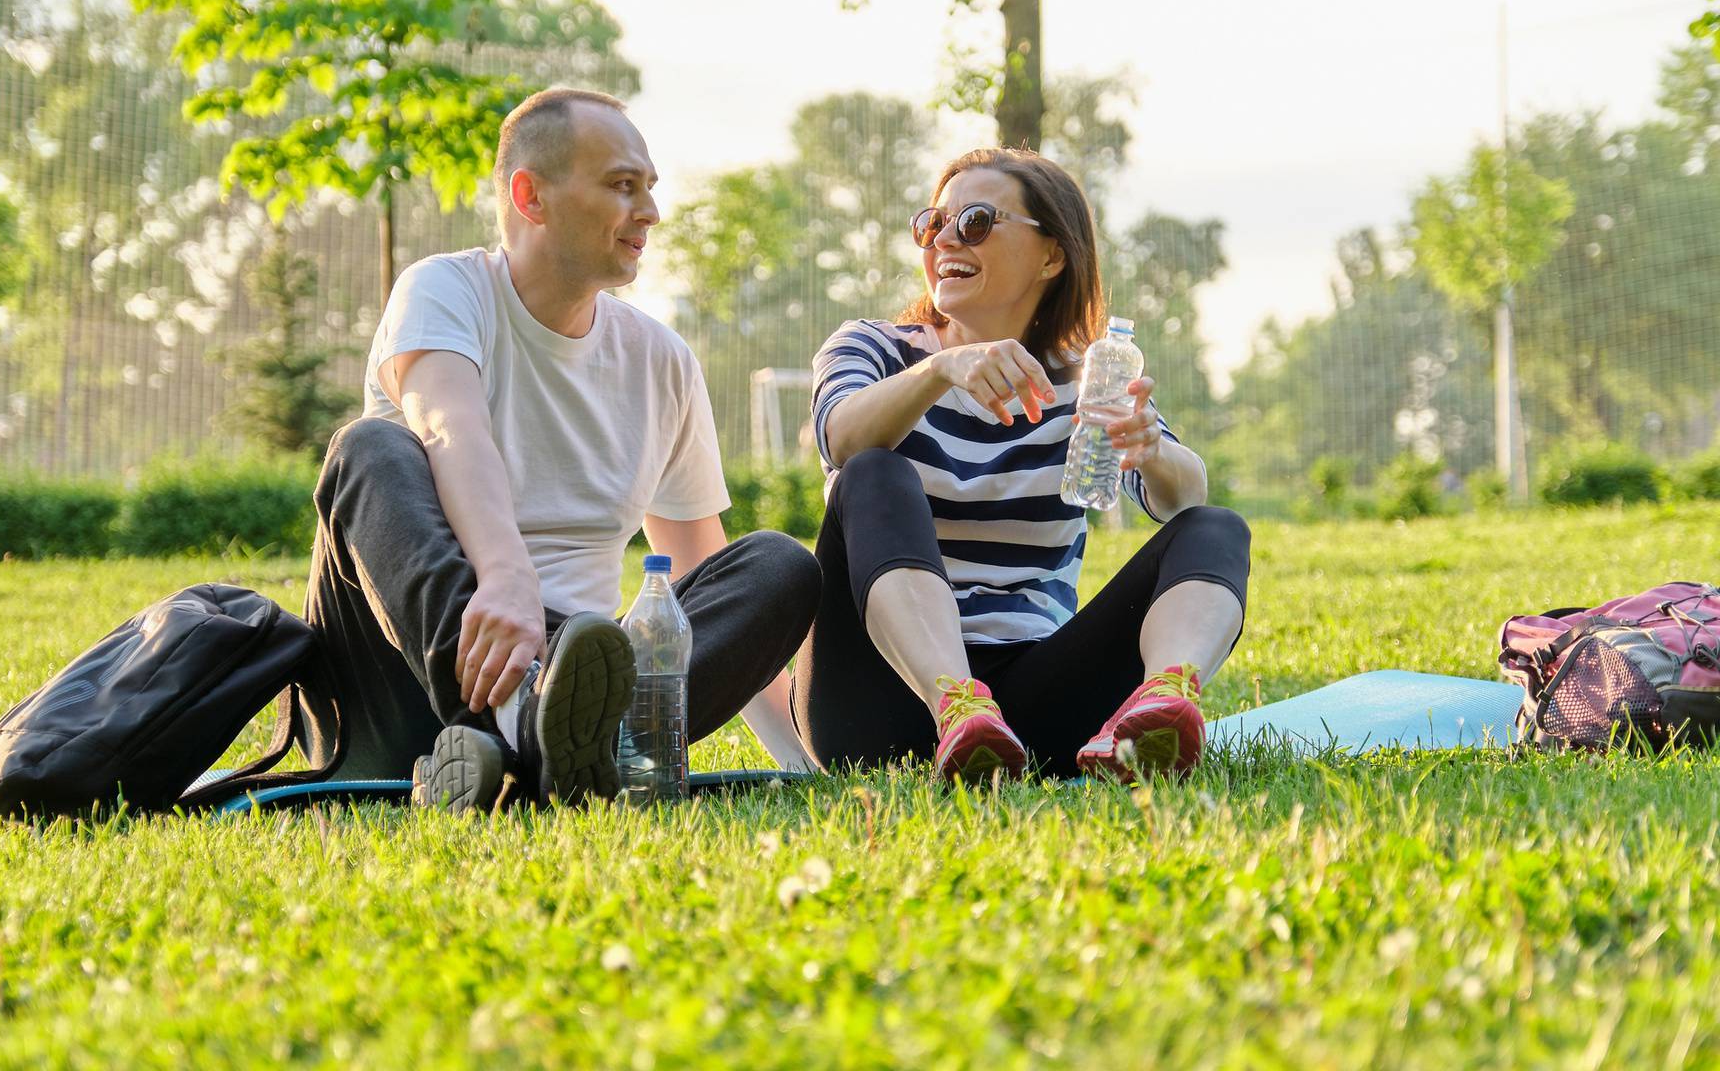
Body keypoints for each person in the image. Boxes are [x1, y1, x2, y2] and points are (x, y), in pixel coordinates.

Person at [301, 88, 821, 811]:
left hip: (580, 674)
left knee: (779, 566)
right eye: (621, 185)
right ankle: (532, 727)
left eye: (650, 188)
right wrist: (505, 578)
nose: (650, 212)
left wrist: (802, 760)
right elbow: (451, 428)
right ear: (530, 195)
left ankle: (555, 745)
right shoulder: (444, 292)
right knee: (370, 449)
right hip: (405, 675)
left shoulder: (661, 361)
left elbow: (697, 576)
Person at [792, 147, 1250, 783]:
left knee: (1218, 526)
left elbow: (1183, 503)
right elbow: (840, 439)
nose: (946, 238)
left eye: (976, 220)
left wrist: (1152, 447)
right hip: (876, 705)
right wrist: (941, 370)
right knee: (874, 470)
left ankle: (1164, 703)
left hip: (1033, 705)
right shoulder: (875, 349)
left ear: (1051, 256)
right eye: (933, 222)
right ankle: (954, 703)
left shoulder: (1089, 375)